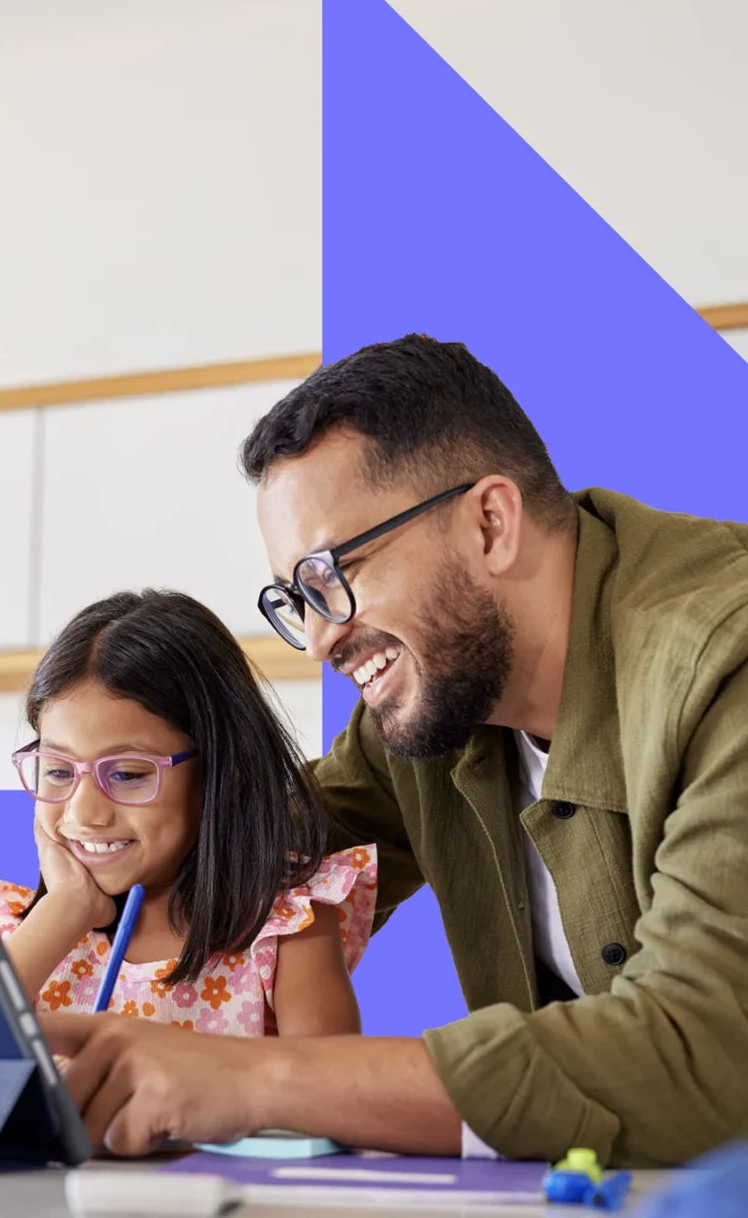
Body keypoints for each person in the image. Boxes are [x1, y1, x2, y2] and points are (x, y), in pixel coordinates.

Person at [42, 334, 748, 1168]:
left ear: (490, 523)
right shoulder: (430, 712)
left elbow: (702, 1049)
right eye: (297, 599)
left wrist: (258, 1081)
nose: (317, 641)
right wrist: (84, 865)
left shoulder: (724, 663)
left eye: (333, 575)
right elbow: (240, 848)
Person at [0, 589, 377, 1037]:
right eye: (58, 771)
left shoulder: (286, 928)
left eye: (126, 774)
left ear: (224, 773)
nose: (83, 813)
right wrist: (66, 908)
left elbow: (327, 1080)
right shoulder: (16, 935)